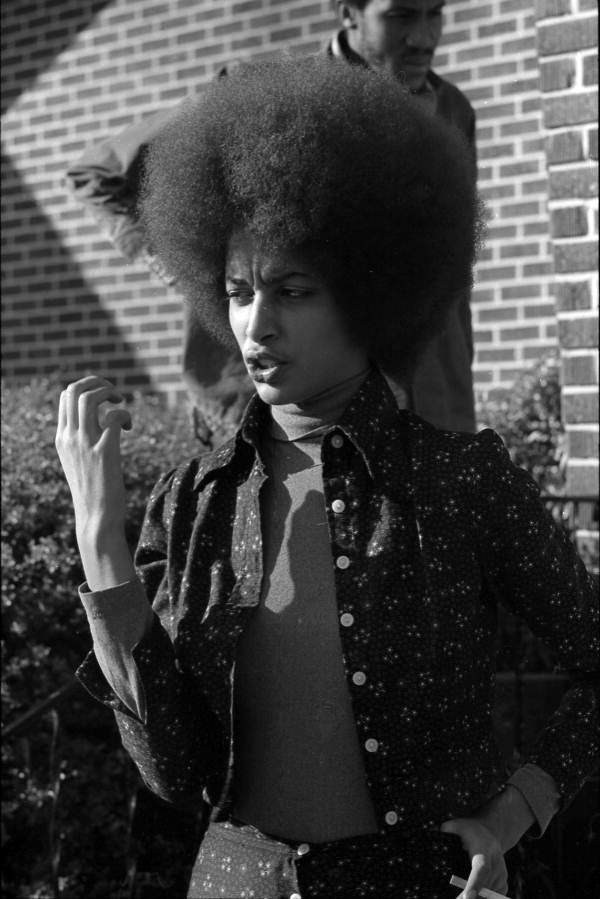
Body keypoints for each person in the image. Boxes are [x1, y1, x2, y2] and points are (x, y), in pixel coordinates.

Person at [55, 59, 598, 899]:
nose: (256, 324)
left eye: (293, 289)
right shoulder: (194, 501)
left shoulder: (458, 479)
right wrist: (101, 543)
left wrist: (516, 809)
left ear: (371, 289)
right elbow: (174, 770)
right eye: (237, 291)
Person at [64, 0, 477, 436]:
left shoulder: (452, 109)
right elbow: (97, 174)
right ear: (349, 12)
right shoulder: (261, 93)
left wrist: (452, 394)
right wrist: (185, 268)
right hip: (268, 400)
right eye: (401, 15)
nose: (424, 37)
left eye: (436, 13)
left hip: (417, 399)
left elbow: (449, 265)